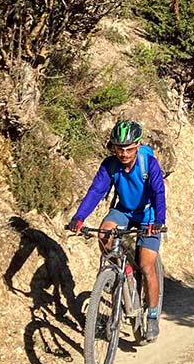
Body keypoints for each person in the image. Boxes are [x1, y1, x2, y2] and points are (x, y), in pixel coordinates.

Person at [67, 120, 167, 342]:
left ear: (138, 145)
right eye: (118, 148)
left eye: (128, 148)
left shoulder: (148, 163)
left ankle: (151, 315)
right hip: (124, 210)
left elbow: (159, 192)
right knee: (104, 232)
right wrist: (79, 217)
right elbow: (96, 191)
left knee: (147, 265)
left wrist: (159, 221)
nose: (123, 153)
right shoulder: (110, 165)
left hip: (148, 215)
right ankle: (123, 272)